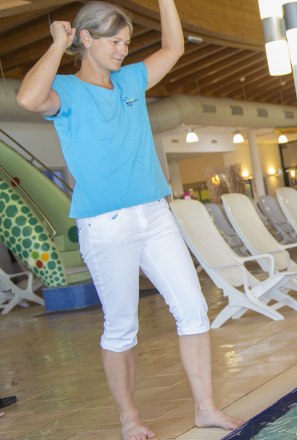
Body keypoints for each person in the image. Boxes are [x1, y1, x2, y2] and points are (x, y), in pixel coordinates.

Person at [16, 2, 243, 439]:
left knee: (194, 310)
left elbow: (173, 47)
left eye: (126, 42)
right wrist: (56, 44)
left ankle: (206, 408)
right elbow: (27, 98)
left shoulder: (131, 81)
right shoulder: (64, 92)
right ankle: (129, 418)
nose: (123, 50)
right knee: (122, 327)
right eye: (114, 41)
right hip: (105, 224)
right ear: (86, 39)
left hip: (155, 214)